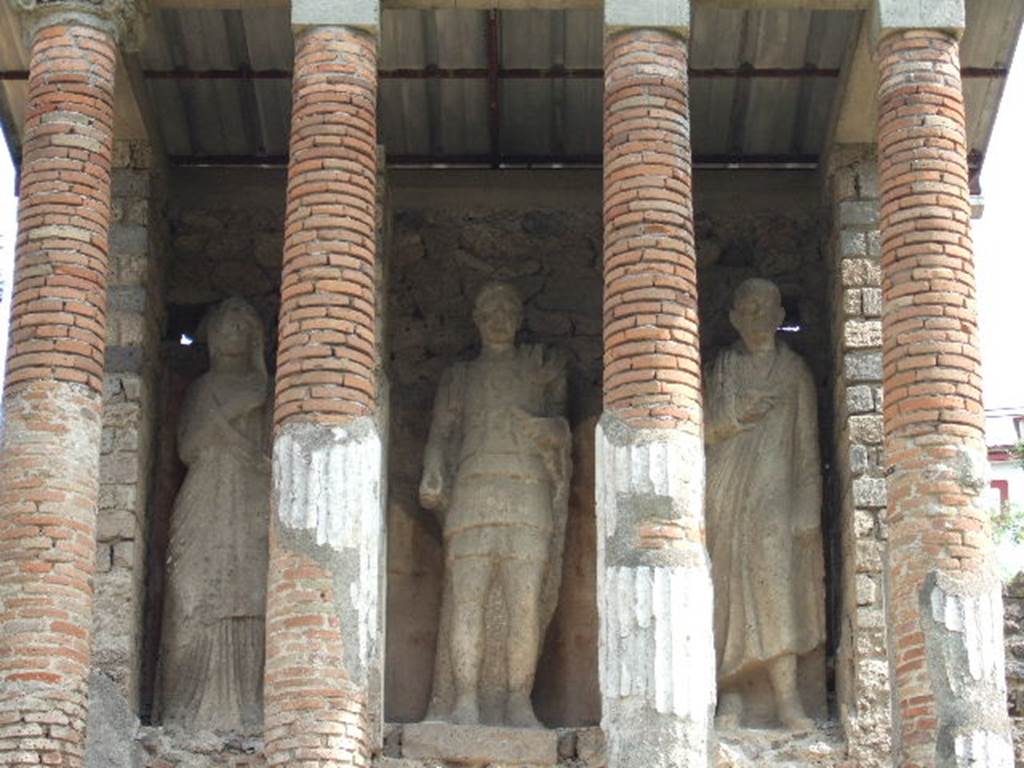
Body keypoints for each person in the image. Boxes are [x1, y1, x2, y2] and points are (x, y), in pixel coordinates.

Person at [419, 282, 571, 728]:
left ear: (519, 318)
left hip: (528, 493)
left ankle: (518, 701)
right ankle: (464, 700)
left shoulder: (539, 368)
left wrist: (545, 430)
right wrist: (432, 471)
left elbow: (562, 430)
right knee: (468, 600)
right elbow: (440, 435)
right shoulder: (460, 377)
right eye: (490, 311)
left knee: (525, 603)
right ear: (478, 320)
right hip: (473, 492)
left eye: (508, 309)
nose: (500, 318)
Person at [704, 278, 825, 731]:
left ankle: (788, 699)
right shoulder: (721, 370)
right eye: (747, 308)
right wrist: (737, 416)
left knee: (778, 594)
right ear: (734, 317)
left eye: (765, 308)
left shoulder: (795, 375)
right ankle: (730, 698)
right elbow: (700, 428)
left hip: (776, 499)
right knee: (726, 595)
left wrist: (807, 508)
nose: (756, 317)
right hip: (725, 493)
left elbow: (808, 447)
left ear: (779, 317)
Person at [158, 297, 271, 733]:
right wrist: (238, 406)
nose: (229, 336)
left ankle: (247, 711)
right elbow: (188, 447)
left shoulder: (269, 388)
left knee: (250, 599)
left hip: (250, 498)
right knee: (190, 596)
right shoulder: (203, 388)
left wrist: (256, 398)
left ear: (253, 339)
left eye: (240, 329)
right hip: (205, 495)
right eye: (223, 328)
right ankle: (183, 712)